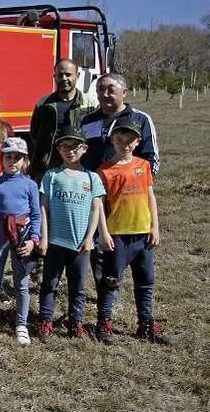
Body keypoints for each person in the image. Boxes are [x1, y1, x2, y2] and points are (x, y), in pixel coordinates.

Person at [94, 119, 169, 345]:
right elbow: (98, 204)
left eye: (129, 141)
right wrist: (104, 233)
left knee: (145, 282)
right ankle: (104, 322)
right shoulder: (104, 170)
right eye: (119, 140)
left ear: (137, 142)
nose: (124, 144)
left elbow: (150, 196)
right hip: (117, 236)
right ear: (112, 141)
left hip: (143, 235)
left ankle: (145, 324)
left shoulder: (143, 166)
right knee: (111, 281)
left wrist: (155, 226)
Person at [37, 127, 105, 342]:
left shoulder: (92, 178)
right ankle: (45, 321)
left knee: (78, 286)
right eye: (64, 146)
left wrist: (89, 238)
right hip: (56, 241)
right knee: (49, 283)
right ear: (58, 149)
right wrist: (45, 237)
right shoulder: (52, 176)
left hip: (81, 245)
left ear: (84, 148)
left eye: (75, 146)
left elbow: (96, 209)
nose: (70, 151)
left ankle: (75, 322)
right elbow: (43, 208)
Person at [0, 137, 41, 345]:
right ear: (2, 159)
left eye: (17, 157)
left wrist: (34, 239)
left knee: (21, 281)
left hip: (22, 234)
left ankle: (21, 324)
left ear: (24, 160)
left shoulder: (30, 185)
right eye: (8, 157)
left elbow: (36, 215)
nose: (12, 161)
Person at [29, 59, 97, 182]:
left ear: (77, 76)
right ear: (54, 77)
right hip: (49, 166)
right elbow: (34, 135)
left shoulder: (91, 104)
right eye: (60, 75)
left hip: (81, 166)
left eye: (68, 74)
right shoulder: (43, 104)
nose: (64, 78)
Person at [80, 73, 159, 175]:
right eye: (101, 89)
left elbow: (151, 159)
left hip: (128, 185)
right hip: (92, 185)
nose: (105, 94)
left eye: (111, 90)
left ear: (124, 92)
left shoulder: (140, 119)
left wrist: (140, 181)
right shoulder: (88, 120)